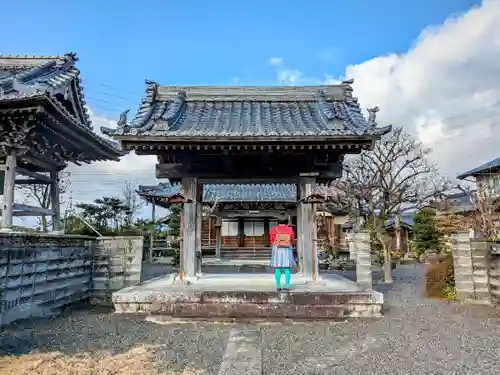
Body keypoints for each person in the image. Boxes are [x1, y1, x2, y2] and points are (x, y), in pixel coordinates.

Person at [269, 219, 295, 292]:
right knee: (287, 268)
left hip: (277, 248)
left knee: (278, 268)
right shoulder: (289, 229)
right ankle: (286, 287)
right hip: (287, 248)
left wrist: (275, 243)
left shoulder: (274, 229)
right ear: (286, 223)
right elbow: (292, 240)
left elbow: (271, 239)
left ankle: (278, 286)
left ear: (278, 223)